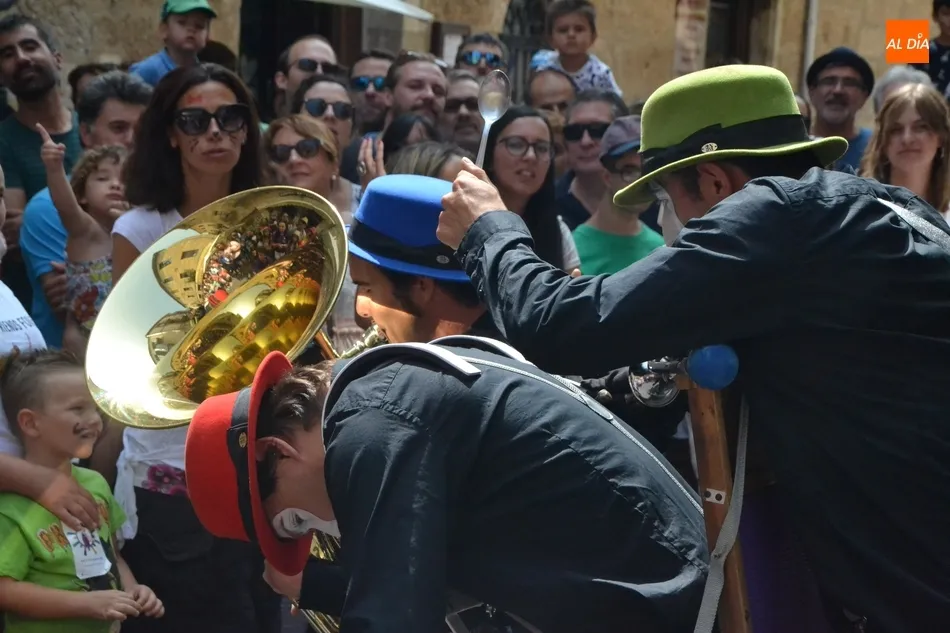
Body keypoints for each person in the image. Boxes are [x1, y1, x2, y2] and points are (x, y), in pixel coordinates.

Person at [436, 64, 950, 633]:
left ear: (714, 183)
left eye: (669, 195)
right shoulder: (887, 210)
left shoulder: (772, 218)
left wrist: (489, 230)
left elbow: (559, 325)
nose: (676, 221)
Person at [184, 341, 708, 633]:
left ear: (277, 451)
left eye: (294, 519)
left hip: (665, 603)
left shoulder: (370, 425)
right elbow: (430, 580)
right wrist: (317, 585)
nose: (317, 525)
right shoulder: (383, 394)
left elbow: (394, 617)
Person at [0, 349, 164, 632]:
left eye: (95, 408)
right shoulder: (10, 506)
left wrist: (132, 588)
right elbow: (5, 590)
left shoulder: (95, 483)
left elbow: (112, 555)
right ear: (30, 423)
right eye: (78, 409)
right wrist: (87, 605)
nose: (95, 420)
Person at [38, 130, 127, 361]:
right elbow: (65, 206)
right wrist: (54, 168)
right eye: (102, 179)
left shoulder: (144, 233)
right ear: (81, 194)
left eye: (125, 180)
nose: (116, 185)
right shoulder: (86, 233)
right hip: (84, 347)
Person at [572, 115, 663, 274]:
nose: (641, 182)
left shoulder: (660, 248)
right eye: (630, 172)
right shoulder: (574, 251)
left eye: (648, 171)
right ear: (607, 178)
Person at [129, 0, 216, 87]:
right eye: (182, 22)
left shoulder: (206, 75)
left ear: (207, 35)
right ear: (164, 29)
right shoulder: (147, 71)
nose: (191, 29)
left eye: (199, 26)